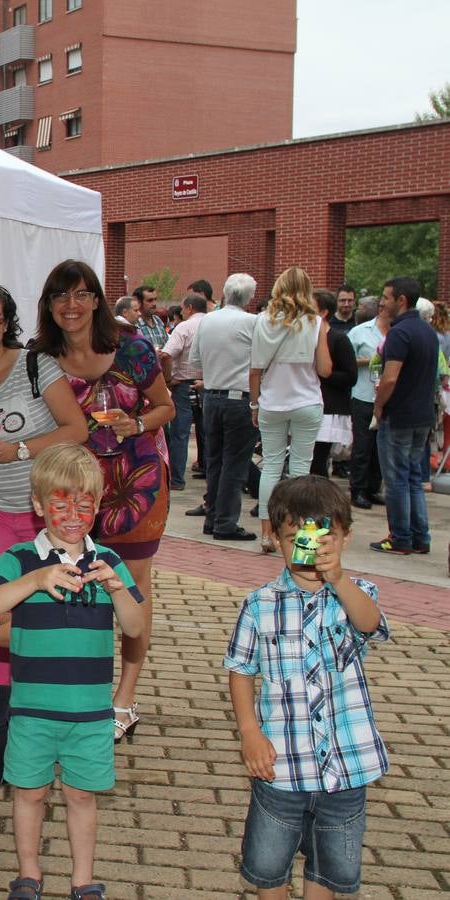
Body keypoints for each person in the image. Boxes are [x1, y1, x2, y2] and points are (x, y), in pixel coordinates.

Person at [0, 443, 147, 900]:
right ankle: (29, 874)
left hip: (89, 714)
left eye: (83, 504)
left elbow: (136, 628)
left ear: (98, 506)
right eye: (60, 503)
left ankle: (83, 880)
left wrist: (116, 588)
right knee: (28, 793)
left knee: (82, 796)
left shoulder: (110, 561)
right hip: (31, 711)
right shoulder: (22, 558)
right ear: (38, 505)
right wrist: (34, 581)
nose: (72, 514)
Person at [223, 476, 387, 899]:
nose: (309, 549)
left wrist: (339, 580)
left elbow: (370, 624)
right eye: (296, 538)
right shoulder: (260, 603)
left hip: (346, 768)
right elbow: (241, 670)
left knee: (330, 867)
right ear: (276, 539)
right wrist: (249, 733)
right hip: (281, 764)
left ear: (344, 538)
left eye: (322, 538)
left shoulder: (355, 594)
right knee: (267, 864)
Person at [31, 259, 172, 743]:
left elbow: (166, 405)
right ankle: (76, 690)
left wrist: (140, 424)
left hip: (137, 483)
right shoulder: (40, 357)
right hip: (72, 490)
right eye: (60, 296)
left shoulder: (131, 348)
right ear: (49, 306)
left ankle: (125, 698)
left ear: (96, 299)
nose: (71, 305)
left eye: (80, 294)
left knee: (132, 587)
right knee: (72, 582)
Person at [0, 282, 88, 559]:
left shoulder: (35, 366)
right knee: (0, 594)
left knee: (52, 594)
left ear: (5, 324)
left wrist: (17, 450)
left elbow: (78, 429)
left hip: (49, 507)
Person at [249, 267, 333, 554]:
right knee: (300, 470)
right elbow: (325, 369)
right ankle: (299, 535)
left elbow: (255, 370)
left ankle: (266, 533)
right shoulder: (316, 323)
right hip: (307, 401)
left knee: (270, 467)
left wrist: (254, 403)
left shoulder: (263, 321)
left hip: (272, 401)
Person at [371, 276, 439, 555]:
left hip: (399, 415)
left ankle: (400, 537)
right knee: (412, 477)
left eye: (386, 298)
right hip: (422, 415)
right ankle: (419, 536)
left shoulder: (399, 333)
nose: (382, 303)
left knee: (397, 478)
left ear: (401, 300)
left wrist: (378, 406)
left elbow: (389, 378)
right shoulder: (427, 331)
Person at [189, 273, 260, 540]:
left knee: (215, 461)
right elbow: (261, 360)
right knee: (235, 463)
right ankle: (226, 522)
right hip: (238, 397)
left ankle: (214, 516)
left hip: (212, 396)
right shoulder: (252, 322)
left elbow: (195, 358)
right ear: (249, 298)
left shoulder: (207, 321)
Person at [161, 293, 208, 491]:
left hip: (183, 384)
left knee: (180, 434)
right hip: (209, 384)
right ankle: (208, 471)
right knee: (207, 432)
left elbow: (166, 354)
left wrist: (168, 378)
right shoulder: (213, 326)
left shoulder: (185, 327)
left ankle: (177, 479)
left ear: (189, 308)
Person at [345, 296, 388, 508]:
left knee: (380, 447)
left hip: (387, 396)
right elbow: (346, 360)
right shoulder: (359, 332)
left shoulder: (397, 333)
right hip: (363, 394)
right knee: (362, 444)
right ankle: (358, 489)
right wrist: (370, 361)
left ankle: (373, 487)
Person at [309, 290, 357, 478]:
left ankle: (320, 499)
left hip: (329, 408)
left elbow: (350, 376)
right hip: (309, 403)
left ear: (323, 313)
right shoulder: (305, 336)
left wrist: (323, 375)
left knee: (318, 460)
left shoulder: (338, 339)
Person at [132, 284, 167, 348]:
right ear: (138, 303)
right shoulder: (133, 324)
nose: (154, 304)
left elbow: (166, 346)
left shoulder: (158, 320)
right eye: (150, 300)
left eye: (155, 299)